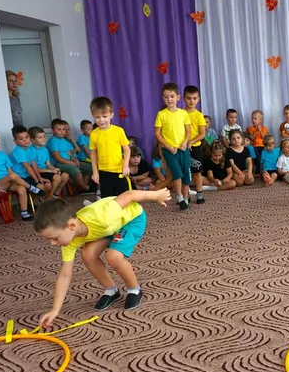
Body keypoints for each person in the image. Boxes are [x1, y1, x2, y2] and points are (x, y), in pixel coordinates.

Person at [35, 188, 171, 328]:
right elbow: (64, 275)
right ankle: (111, 291)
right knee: (87, 254)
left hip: (131, 220)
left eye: (55, 238)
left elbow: (129, 195)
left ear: (71, 226)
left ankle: (134, 289)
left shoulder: (102, 215)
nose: (52, 243)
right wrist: (55, 309)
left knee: (114, 256)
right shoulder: (69, 241)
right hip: (108, 229)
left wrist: (157, 195)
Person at [0, 129, 44, 221]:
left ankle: (24, 214)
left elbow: (9, 170)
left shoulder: (3, 155)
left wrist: (15, 179)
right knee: (13, 175)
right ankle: (31, 188)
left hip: (9, 182)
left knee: (21, 188)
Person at [154, 82, 192, 210]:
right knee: (176, 173)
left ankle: (185, 199)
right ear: (162, 98)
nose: (169, 99)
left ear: (178, 97)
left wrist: (185, 142)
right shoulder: (161, 114)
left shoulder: (183, 113)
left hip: (183, 149)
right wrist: (168, 146)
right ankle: (179, 197)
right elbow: (157, 134)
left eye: (172, 96)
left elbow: (188, 131)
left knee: (185, 174)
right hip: (169, 150)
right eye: (166, 97)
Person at [89, 97, 130, 198]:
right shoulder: (93, 134)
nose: (101, 120)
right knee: (107, 199)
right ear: (93, 116)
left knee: (124, 198)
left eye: (104, 116)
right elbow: (93, 154)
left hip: (119, 171)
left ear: (111, 114)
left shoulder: (118, 131)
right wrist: (95, 172)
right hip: (104, 172)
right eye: (97, 117)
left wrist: (125, 165)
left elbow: (126, 149)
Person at [47, 119, 92, 194]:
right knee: (76, 170)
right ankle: (86, 188)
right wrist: (71, 163)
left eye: (63, 129)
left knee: (89, 167)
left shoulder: (63, 140)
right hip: (59, 164)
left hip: (68, 162)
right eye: (59, 129)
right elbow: (58, 158)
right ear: (53, 131)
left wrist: (74, 159)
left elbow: (69, 153)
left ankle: (83, 188)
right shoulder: (53, 141)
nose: (62, 131)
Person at [10, 125, 53, 196]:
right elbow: (28, 168)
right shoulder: (18, 151)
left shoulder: (29, 149)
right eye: (21, 139)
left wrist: (39, 177)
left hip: (28, 175)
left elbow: (33, 164)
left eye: (26, 137)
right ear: (15, 141)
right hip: (20, 177)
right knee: (41, 188)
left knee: (48, 184)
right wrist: (37, 180)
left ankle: (44, 198)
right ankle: (37, 199)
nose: (25, 140)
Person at [28, 126, 69, 198]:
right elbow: (34, 169)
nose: (43, 139)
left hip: (46, 171)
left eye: (44, 136)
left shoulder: (45, 149)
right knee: (57, 178)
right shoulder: (30, 151)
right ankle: (50, 198)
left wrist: (55, 169)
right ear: (32, 140)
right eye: (40, 137)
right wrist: (51, 171)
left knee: (65, 176)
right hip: (38, 173)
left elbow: (48, 164)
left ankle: (55, 194)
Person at [183, 85, 207, 204]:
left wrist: (191, 142)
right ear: (184, 99)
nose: (191, 101)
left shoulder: (199, 115)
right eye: (189, 98)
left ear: (198, 99)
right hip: (183, 147)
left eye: (194, 98)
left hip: (195, 147)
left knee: (197, 172)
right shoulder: (181, 114)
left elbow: (202, 134)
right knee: (185, 172)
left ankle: (199, 194)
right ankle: (186, 195)